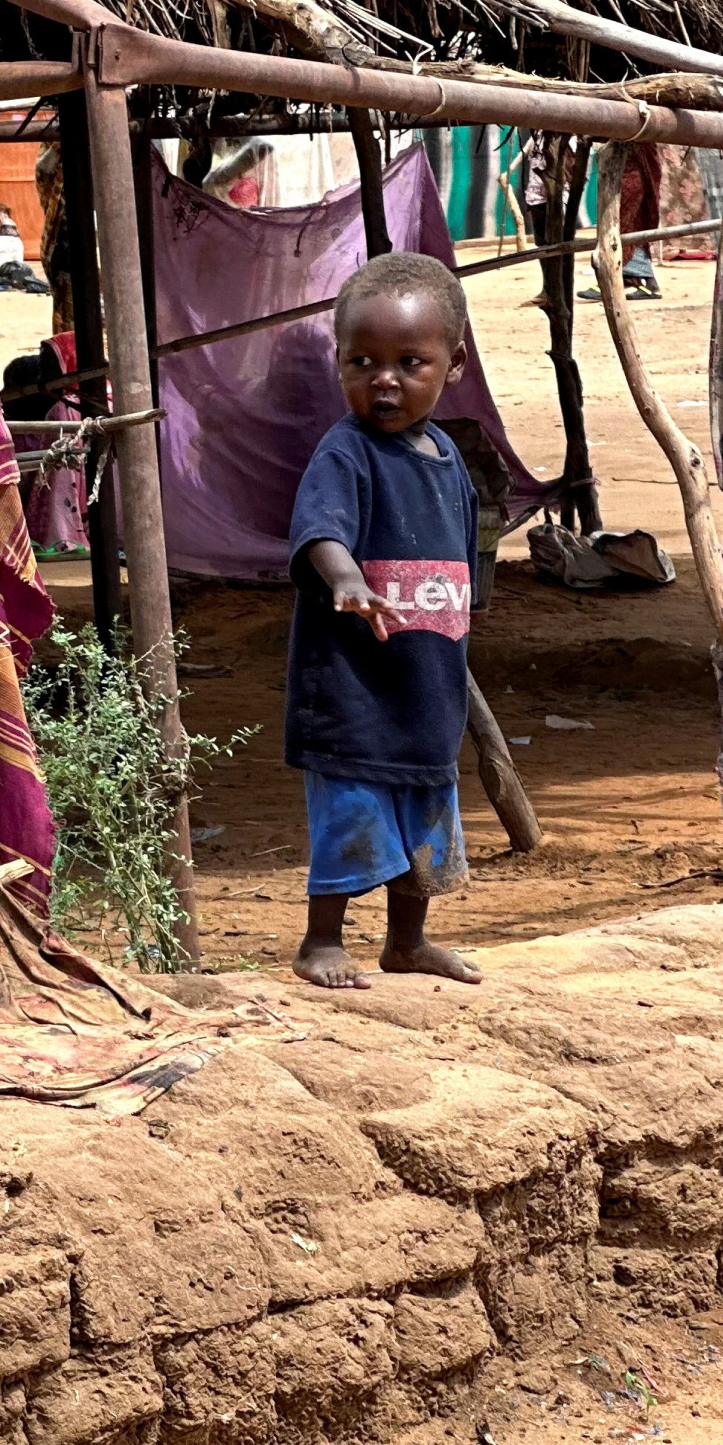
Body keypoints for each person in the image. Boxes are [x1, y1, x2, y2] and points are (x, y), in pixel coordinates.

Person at [286, 251, 485, 991]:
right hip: (354, 690)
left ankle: (407, 941)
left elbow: (461, 557)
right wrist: (346, 581)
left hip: (426, 685)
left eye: (410, 361)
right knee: (354, 810)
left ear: (453, 363)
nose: (385, 379)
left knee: (427, 811)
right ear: (339, 363)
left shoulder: (445, 459)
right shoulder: (346, 453)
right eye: (362, 361)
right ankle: (320, 941)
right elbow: (320, 532)